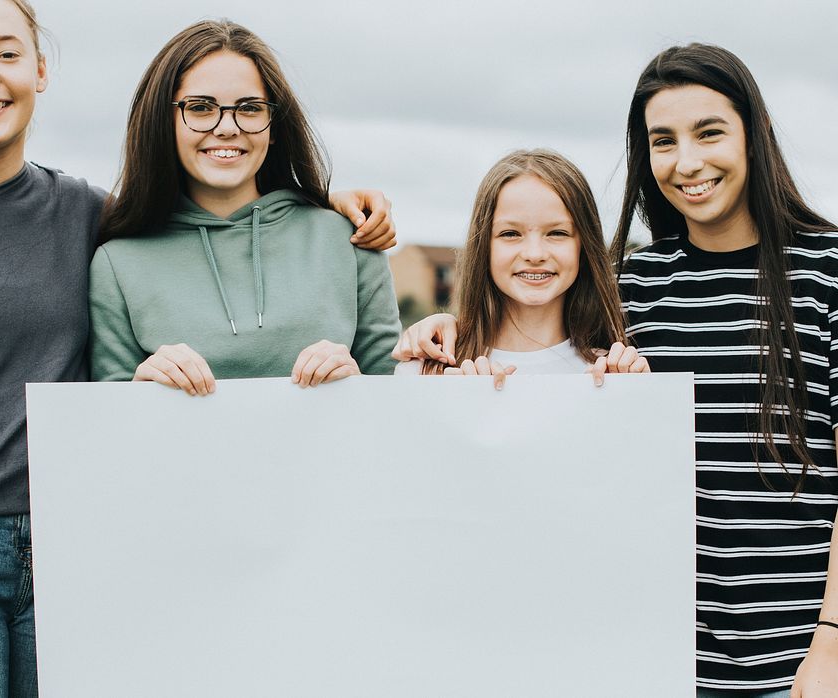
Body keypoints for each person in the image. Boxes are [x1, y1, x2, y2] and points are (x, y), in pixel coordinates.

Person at [0, 1, 394, 695]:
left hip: (84, 545)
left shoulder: (90, 216)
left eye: (8, 53)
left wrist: (324, 208)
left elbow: (212, 214)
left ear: (40, 71)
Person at [396, 43, 838, 696]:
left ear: (756, 134)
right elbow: (547, 372)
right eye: (663, 141)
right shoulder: (635, 286)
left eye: (708, 132)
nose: (687, 162)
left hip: (801, 661)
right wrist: (453, 335)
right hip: (651, 658)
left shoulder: (824, 272)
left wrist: (830, 644)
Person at [89, 20, 401, 390]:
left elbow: (400, 400)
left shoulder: (350, 241)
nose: (226, 127)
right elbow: (109, 429)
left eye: (249, 108)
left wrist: (358, 387)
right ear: (164, 121)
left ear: (274, 125)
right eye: (201, 107)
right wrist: (137, 393)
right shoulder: (116, 265)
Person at [394, 148, 646, 385]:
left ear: (584, 246)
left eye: (557, 233)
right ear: (484, 247)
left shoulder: (615, 373)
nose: (534, 254)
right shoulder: (427, 370)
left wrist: (637, 395)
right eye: (511, 233)